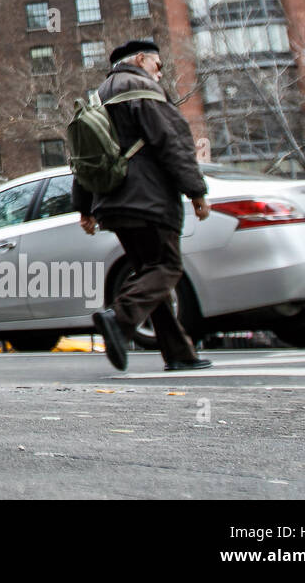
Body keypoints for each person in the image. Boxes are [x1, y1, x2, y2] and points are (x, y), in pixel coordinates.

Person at [72, 40, 212, 373]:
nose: (160, 72)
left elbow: (83, 158)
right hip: (148, 199)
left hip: (112, 204)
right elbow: (172, 142)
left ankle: (179, 353)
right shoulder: (141, 88)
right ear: (140, 59)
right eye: (157, 64)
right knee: (166, 267)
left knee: (150, 272)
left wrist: (85, 208)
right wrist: (196, 190)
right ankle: (118, 319)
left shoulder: (97, 97)